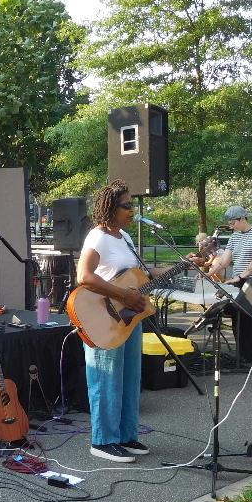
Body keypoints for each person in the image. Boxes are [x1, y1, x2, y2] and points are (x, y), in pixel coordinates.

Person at [76, 179, 168, 463]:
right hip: (103, 318)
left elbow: (143, 275)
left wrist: (185, 265)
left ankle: (126, 436)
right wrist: (123, 295)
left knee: (129, 378)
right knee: (105, 379)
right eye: (126, 206)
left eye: (131, 205)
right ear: (111, 208)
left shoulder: (125, 238)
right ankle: (103, 440)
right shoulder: (97, 237)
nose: (132, 211)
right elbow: (84, 276)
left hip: (129, 318)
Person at [209, 205, 252, 369]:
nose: (231, 226)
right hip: (238, 281)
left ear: (242, 219)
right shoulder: (235, 236)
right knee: (238, 316)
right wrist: (208, 272)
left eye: (232, 222)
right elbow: (224, 261)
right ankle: (243, 354)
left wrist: (242, 276)